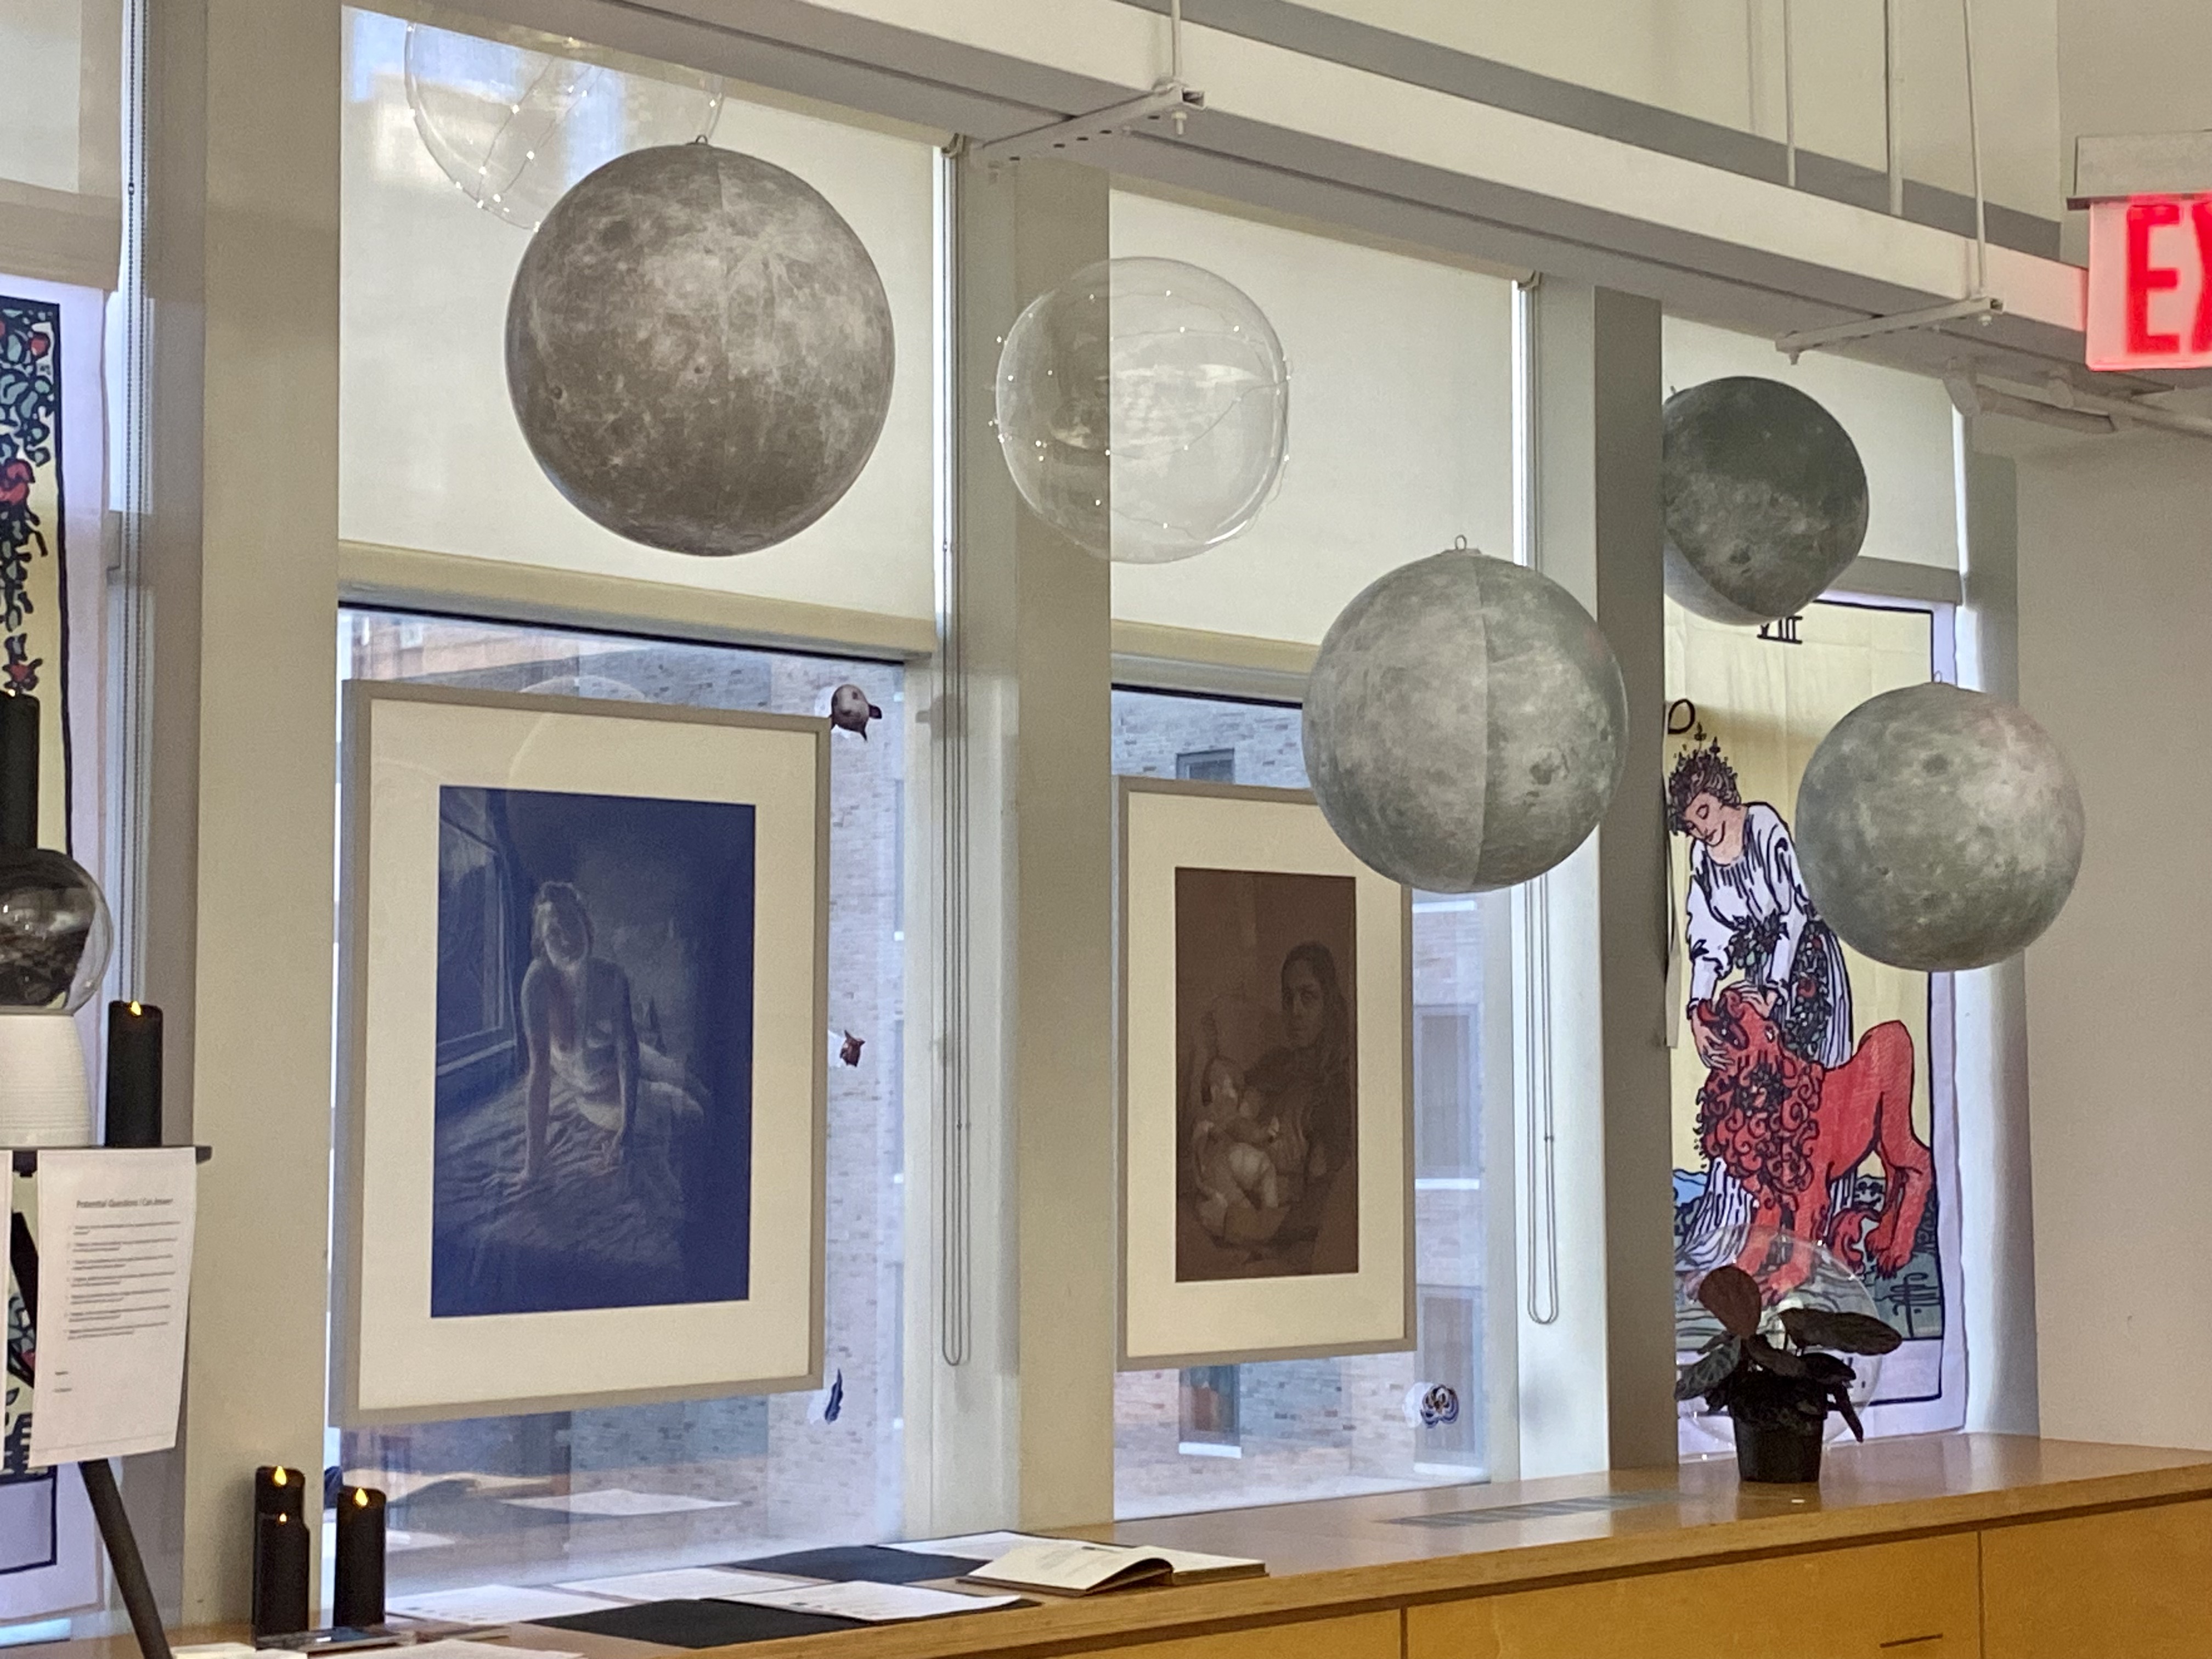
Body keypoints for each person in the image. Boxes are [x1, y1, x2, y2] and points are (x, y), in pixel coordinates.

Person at [1671, 740, 1853, 1069]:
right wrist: (1699, 1011)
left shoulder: (1761, 825)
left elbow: (1793, 913)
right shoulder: (1701, 857)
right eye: (1692, 826)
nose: (1703, 830)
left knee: (1817, 1070)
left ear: (1720, 793)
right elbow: (1707, 940)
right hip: (1760, 976)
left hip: (1806, 961)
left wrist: (1772, 992)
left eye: (1704, 812)